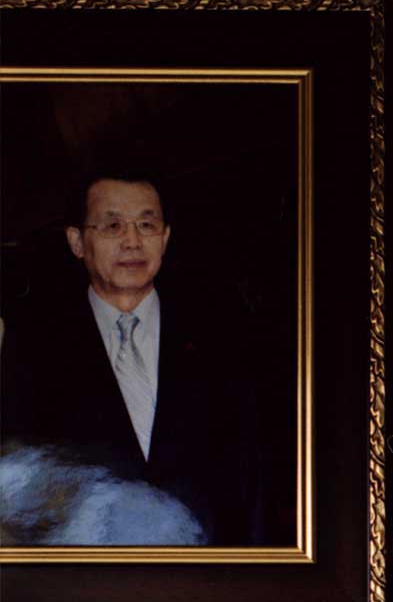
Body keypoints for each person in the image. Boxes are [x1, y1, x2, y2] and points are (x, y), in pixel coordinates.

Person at [0, 171, 263, 545]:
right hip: (85, 584)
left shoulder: (217, 338)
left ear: (165, 237)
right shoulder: (34, 345)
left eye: (146, 224)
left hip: (206, 580)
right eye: (112, 226)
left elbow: (247, 474)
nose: (132, 242)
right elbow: (17, 473)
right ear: (77, 241)